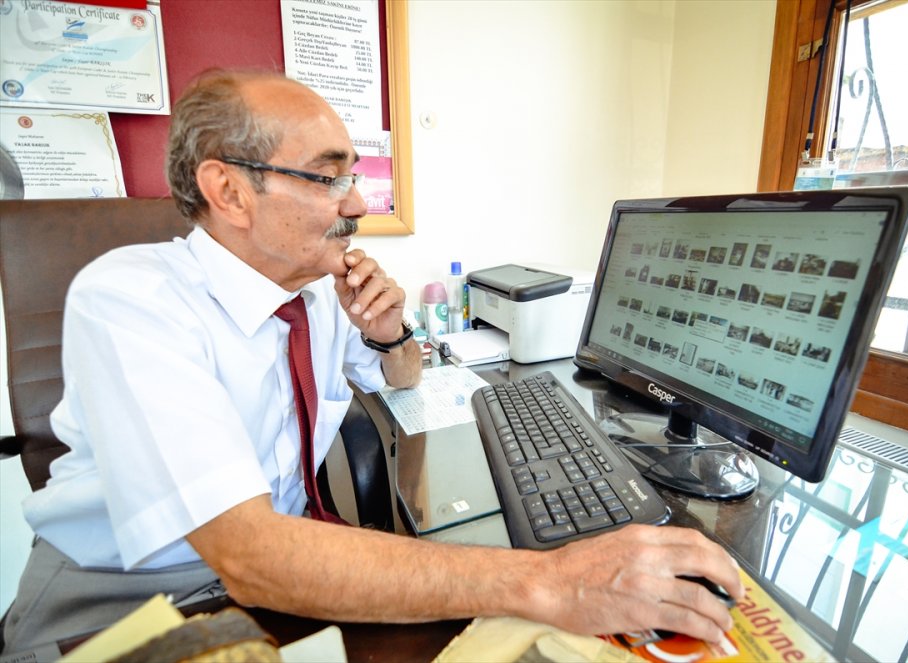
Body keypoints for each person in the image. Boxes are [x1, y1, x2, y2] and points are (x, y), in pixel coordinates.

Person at [1, 69, 744, 654]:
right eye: (328, 176)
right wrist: (552, 579)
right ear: (228, 190)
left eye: (352, 174)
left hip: (272, 582)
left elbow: (405, 377)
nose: (357, 199)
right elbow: (250, 552)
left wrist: (390, 334)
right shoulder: (132, 300)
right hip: (119, 602)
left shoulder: (315, 291)